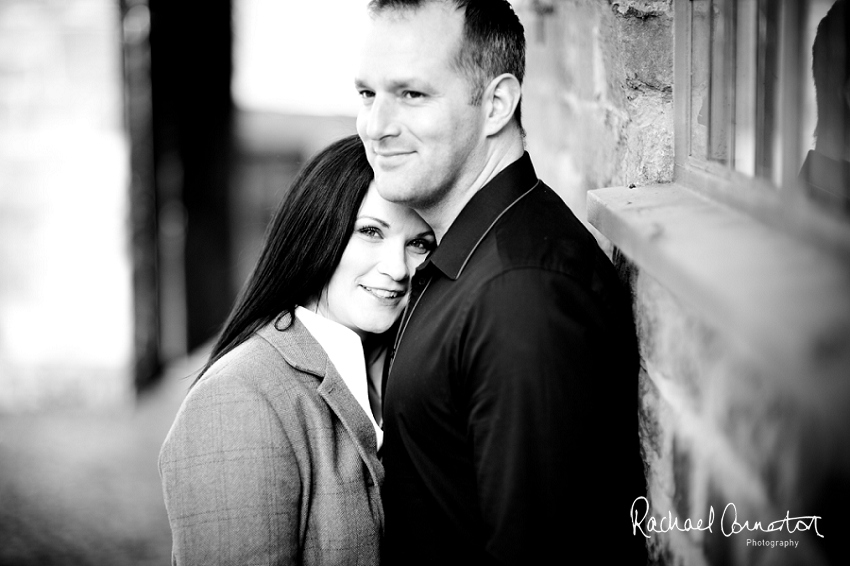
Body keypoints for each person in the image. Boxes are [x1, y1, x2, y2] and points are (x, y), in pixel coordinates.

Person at [354, 1, 648, 564]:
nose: (375, 127)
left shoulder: (521, 295)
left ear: (496, 104)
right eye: (367, 95)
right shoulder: (467, 252)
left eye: (411, 94)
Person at [158, 135, 435, 565]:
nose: (397, 269)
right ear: (317, 230)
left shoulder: (395, 370)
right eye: (370, 232)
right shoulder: (238, 399)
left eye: (419, 243)